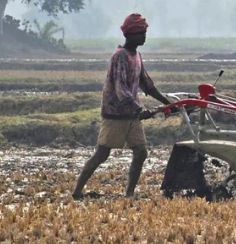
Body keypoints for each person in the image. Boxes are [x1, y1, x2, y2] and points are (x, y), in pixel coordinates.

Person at [72, 13, 172, 200]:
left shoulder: (136, 56)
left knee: (141, 152)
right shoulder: (120, 57)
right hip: (115, 114)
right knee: (102, 154)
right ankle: (77, 191)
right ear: (131, 34)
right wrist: (139, 110)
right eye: (141, 32)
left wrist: (169, 104)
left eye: (145, 32)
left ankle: (129, 194)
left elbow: (147, 84)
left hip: (131, 114)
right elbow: (121, 90)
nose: (144, 36)